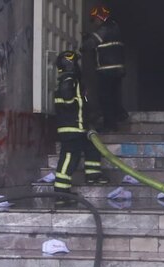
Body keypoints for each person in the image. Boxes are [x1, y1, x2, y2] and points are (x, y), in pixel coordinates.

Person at [52, 50, 108, 205]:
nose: (77, 65)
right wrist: (75, 104)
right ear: (69, 63)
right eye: (75, 62)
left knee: (92, 147)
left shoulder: (71, 79)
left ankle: (93, 175)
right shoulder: (69, 79)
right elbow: (68, 98)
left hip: (78, 127)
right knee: (69, 158)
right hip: (71, 128)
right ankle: (61, 193)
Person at [81, 5, 127, 132]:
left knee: (105, 98)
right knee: (114, 95)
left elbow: (91, 44)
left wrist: (82, 44)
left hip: (107, 69)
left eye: (95, 19)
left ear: (100, 17)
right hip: (117, 70)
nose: (95, 23)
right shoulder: (115, 27)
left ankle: (110, 126)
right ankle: (120, 113)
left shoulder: (105, 28)